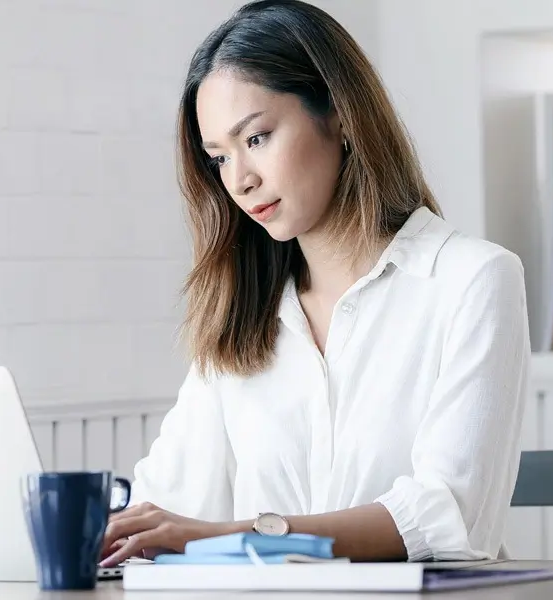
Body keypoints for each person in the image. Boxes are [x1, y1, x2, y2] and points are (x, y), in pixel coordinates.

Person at [100, 0, 529, 567]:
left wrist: (240, 534)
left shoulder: (473, 280)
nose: (241, 180)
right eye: (218, 158)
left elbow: (448, 515)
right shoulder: (241, 313)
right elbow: (169, 500)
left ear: (341, 116)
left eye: (256, 139)